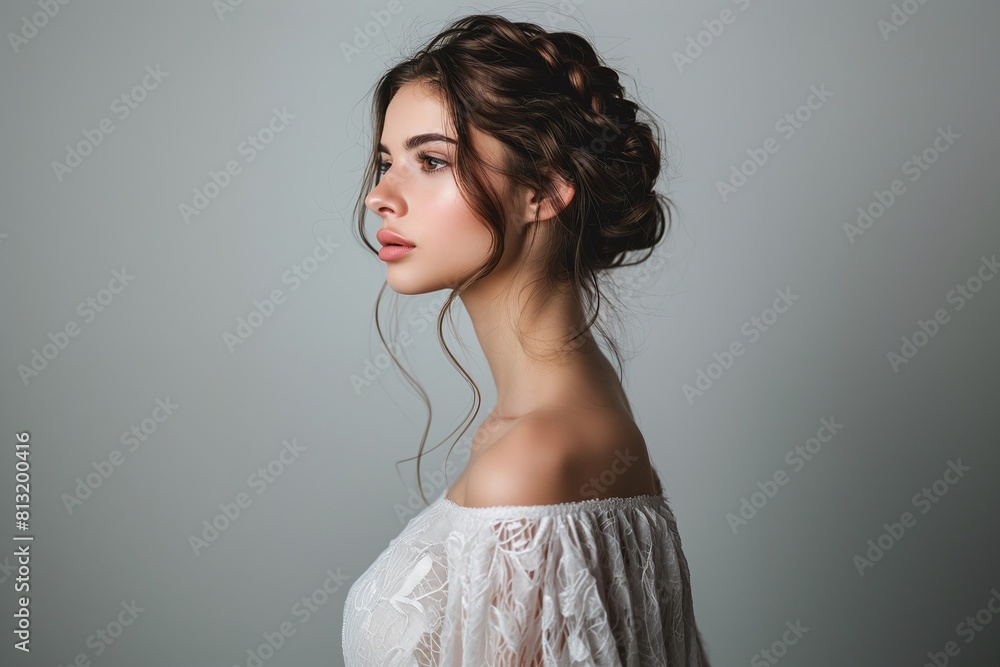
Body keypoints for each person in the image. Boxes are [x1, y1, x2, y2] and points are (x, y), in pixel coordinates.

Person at [342, 13, 711, 665]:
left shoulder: (533, 459)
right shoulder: (577, 418)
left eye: (430, 160)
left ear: (543, 189)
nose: (379, 196)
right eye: (384, 162)